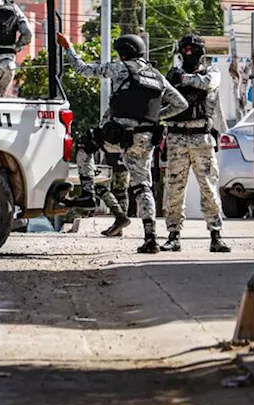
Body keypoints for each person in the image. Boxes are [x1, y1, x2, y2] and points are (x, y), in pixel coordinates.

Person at [57, 31, 189, 254]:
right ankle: (151, 238)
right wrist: (156, 117)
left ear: (124, 53)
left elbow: (82, 69)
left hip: (119, 135)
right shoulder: (157, 75)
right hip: (146, 138)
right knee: (142, 185)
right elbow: (181, 104)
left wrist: (67, 47)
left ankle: (88, 193)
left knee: (83, 145)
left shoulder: (121, 68)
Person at [163, 34, 230, 253]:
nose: (188, 54)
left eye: (193, 50)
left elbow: (207, 84)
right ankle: (173, 235)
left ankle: (216, 235)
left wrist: (182, 80)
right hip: (176, 137)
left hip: (202, 137)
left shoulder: (212, 72)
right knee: (174, 189)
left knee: (209, 188)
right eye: (185, 50)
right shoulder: (171, 74)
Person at [68, 126, 133, 237]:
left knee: (99, 187)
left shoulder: (114, 113)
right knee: (121, 190)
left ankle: (120, 216)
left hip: (113, 151)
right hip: (128, 150)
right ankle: (119, 225)